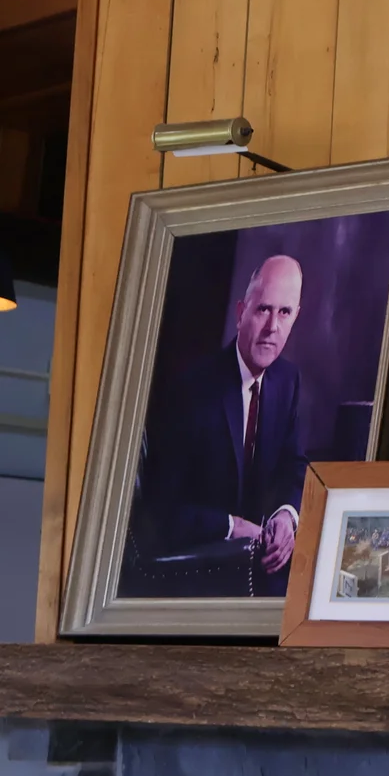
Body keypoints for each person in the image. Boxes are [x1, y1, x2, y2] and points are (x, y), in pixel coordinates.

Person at [129, 254, 309, 594]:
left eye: (284, 312)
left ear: (295, 317)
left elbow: (294, 465)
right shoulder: (191, 390)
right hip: (198, 566)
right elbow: (159, 509)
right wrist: (231, 526)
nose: (273, 327)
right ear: (241, 313)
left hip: (259, 563)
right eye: (263, 310)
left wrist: (287, 515)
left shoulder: (288, 380)